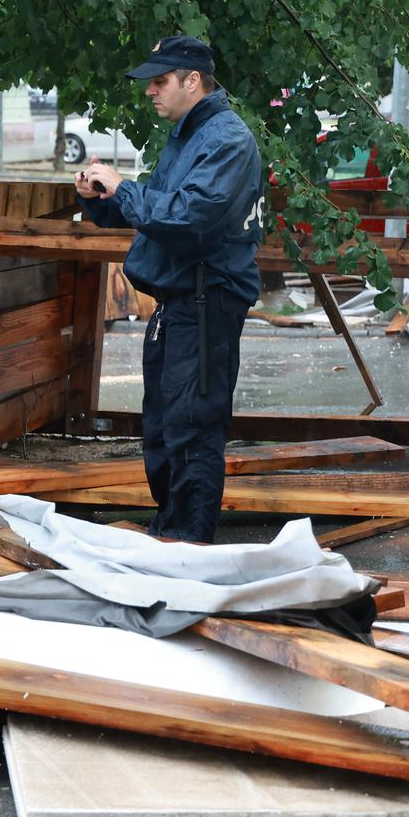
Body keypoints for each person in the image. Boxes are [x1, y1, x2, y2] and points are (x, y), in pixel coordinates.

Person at [74, 35, 266, 543]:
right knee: (161, 425)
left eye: (159, 82)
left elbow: (188, 219)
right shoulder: (188, 135)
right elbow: (156, 207)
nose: (149, 92)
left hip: (207, 301)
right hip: (179, 302)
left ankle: (191, 541)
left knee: (192, 426)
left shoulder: (227, 139)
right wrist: (101, 198)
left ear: (192, 81)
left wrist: (125, 187)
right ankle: (170, 529)